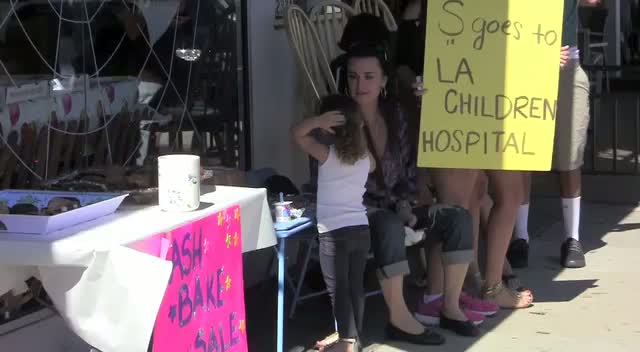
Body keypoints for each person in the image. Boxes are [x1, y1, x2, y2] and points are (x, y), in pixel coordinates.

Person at [346, 43, 480, 339]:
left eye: (369, 76)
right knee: (389, 224)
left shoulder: (395, 115)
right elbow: (335, 181)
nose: (360, 84)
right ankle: (399, 318)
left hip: (398, 206)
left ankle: (450, 306)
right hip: (357, 212)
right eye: (353, 77)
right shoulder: (340, 118)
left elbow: (408, 167)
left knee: (457, 217)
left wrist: (406, 205)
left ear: (382, 81)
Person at [508, 0, 601, 270]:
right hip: (522, 65)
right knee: (522, 154)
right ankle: (520, 236)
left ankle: (572, 238)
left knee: (569, 155)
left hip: (566, 66)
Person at [291, 94, 374, 352]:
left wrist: (316, 121)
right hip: (361, 229)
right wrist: (356, 127)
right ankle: (353, 338)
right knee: (355, 287)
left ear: (329, 129)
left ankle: (347, 343)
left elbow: (297, 134)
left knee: (338, 291)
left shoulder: (327, 155)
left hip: (333, 233)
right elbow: (364, 155)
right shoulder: (366, 160)